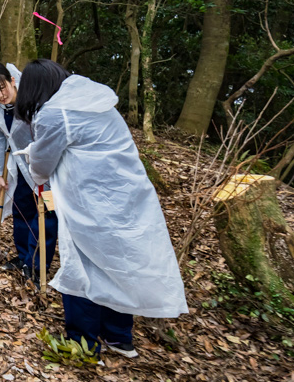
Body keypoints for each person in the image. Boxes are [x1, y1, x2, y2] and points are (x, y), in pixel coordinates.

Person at [15, 59, 187, 358]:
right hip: (128, 196)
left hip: (90, 201)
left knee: (82, 265)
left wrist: (32, 156)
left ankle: (83, 342)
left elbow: (42, 165)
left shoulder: (55, 113)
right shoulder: (96, 100)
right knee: (117, 265)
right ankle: (119, 337)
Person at [0, 63, 58, 282]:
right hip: (22, 168)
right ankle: (23, 256)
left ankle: (37, 265)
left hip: (48, 169)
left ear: (12, 80)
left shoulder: (33, 98)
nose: (0, 95)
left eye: (3, 87)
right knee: (21, 209)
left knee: (48, 214)